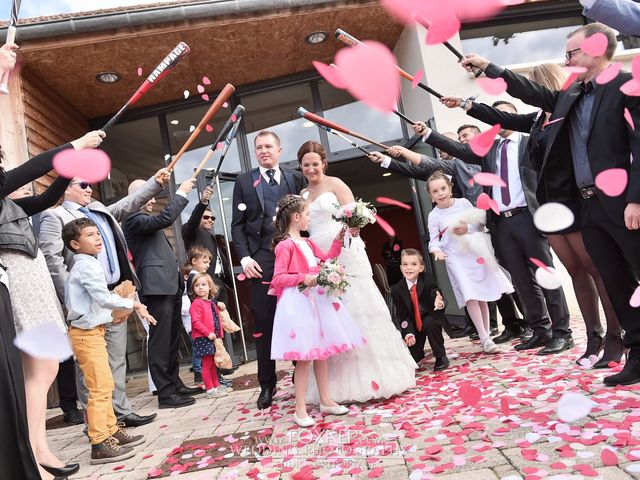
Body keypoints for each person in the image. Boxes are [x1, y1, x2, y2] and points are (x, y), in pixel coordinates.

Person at [460, 23, 640, 385]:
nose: (565, 59)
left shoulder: (627, 85)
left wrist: (636, 199)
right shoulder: (571, 95)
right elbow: (529, 94)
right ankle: (635, 352)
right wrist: (489, 69)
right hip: (586, 206)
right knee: (618, 283)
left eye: (571, 52)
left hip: (623, 203)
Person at [439, 62, 622, 367]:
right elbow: (501, 117)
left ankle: (617, 336)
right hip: (549, 206)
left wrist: (490, 69)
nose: (529, 95)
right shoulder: (537, 120)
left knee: (594, 269)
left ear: (547, 86)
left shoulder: (569, 112)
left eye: (535, 86)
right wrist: (467, 104)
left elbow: (527, 92)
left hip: (574, 201)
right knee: (575, 270)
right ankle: (594, 336)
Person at [413, 102, 573, 355]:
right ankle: (540, 329)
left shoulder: (530, 143)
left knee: (546, 275)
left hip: (529, 218)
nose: (504, 119)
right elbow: (459, 150)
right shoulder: (490, 149)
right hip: (502, 223)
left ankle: (562, 332)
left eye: (508, 114)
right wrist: (428, 135)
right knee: (521, 279)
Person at [0, 128, 108, 480]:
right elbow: (29, 170)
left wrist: (67, 167)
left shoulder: (8, 203)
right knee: (41, 366)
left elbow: (44, 199)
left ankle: (39, 448)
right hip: (17, 277)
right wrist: (74, 147)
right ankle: (33, 452)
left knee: (43, 368)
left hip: (31, 276)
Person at [39, 170, 166, 428]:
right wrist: (75, 300)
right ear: (65, 188)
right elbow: (52, 262)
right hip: (88, 304)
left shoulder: (99, 210)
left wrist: (156, 183)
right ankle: (95, 425)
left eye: (91, 185)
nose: (89, 189)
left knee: (116, 360)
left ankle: (120, 413)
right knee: (91, 368)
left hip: (114, 295)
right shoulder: (55, 216)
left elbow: (129, 202)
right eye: (82, 184)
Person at [298, 140, 417, 404]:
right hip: (318, 252)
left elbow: (354, 214)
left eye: (315, 164)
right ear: (301, 167)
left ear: (323, 163)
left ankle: (379, 374)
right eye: (306, 165)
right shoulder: (302, 196)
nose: (311, 169)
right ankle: (336, 386)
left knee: (360, 304)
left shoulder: (336, 184)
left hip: (346, 249)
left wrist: (353, 229)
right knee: (331, 310)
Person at [63, 218, 153, 464]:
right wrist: (132, 303)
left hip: (92, 332)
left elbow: (93, 302)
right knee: (100, 389)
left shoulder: (86, 263)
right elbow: (102, 298)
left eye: (97, 233)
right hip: (86, 334)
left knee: (106, 384)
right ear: (75, 244)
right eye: (90, 235)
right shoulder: (86, 266)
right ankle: (99, 442)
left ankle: (111, 430)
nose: (98, 238)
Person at [270, 195, 364, 427]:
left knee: (321, 353)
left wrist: (338, 240)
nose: (310, 219)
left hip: (317, 300)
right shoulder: (285, 245)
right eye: (308, 214)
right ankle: (299, 409)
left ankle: (325, 399)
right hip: (300, 302)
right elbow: (279, 277)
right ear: (296, 217)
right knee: (305, 357)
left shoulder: (308, 243)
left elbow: (326, 258)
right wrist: (305, 277)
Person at [231, 130, 305, 409]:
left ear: (279, 149)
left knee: (299, 320)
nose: (263, 151)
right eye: (258, 147)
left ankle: (303, 380)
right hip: (261, 262)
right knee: (264, 324)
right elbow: (237, 225)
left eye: (268, 146)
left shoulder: (294, 177)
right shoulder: (243, 181)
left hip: (293, 259)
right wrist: (245, 258)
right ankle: (267, 385)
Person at [8, 182, 83, 424]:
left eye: (30, 190)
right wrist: (67, 294)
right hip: (32, 297)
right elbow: (54, 258)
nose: (28, 192)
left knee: (58, 358)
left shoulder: (32, 218)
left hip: (45, 295)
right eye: (22, 189)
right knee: (46, 364)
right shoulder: (47, 216)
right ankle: (68, 406)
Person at [123, 177, 202, 408]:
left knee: (171, 340)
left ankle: (174, 383)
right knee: (160, 341)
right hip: (156, 289)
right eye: (147, 195)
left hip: (168, 286)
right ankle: (165, 394)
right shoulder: (133, 219)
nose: (152, 200)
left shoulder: (145, 219)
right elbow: (165, 218)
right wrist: (183, 193)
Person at [426, 172, 514, 354]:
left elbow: (479, 224)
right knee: (470, 294)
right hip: (454, 258)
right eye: (435, 191)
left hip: (473, 253)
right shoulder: (433, 215)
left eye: (443, 188)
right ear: (430, 195)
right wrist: (437, 251)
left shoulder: (464, 204)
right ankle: (484, 338)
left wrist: (468, 227)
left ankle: (487, 334)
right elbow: (433, 241)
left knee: (480, 294)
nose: (440, 193)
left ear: (450, 188)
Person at [391, 248, 450, 370]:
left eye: (414, 264)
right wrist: (408, 332)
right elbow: (403, 316)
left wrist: (439, 302)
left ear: (421, 268)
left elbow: (436, 293)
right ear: (401, 268)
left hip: (429, 317)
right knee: (414, 358)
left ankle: (440, 356)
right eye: (405, 264)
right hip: (414, 324)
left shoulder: (427, 279)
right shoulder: (397, 289)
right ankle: (418, 351)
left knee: (430, 323)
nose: (409, 268)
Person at [189, 272, 231, 399]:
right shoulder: (196, 303)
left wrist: (219, 334)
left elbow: (216, 319)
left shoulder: (211, 303)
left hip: (212, 337)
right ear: (193, 289)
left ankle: (216, 386)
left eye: (203, 284)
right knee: (207, 364)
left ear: (210, 287)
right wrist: (208, 333)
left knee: (213, 363)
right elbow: (196, 322)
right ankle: (210, 389)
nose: (200, 287)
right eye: (197, 285)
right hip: (203, 337)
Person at [181, 246, 213, 383]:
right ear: (194, 261)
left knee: (201, 348)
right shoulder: (194, 277)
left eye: (209, 262)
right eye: (205, 262)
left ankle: (203, 373)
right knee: (199, 348)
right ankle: (199, 373)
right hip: (195, 321)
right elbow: (195, 299)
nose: (208, 265)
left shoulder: (195, 276)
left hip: (197, 320)